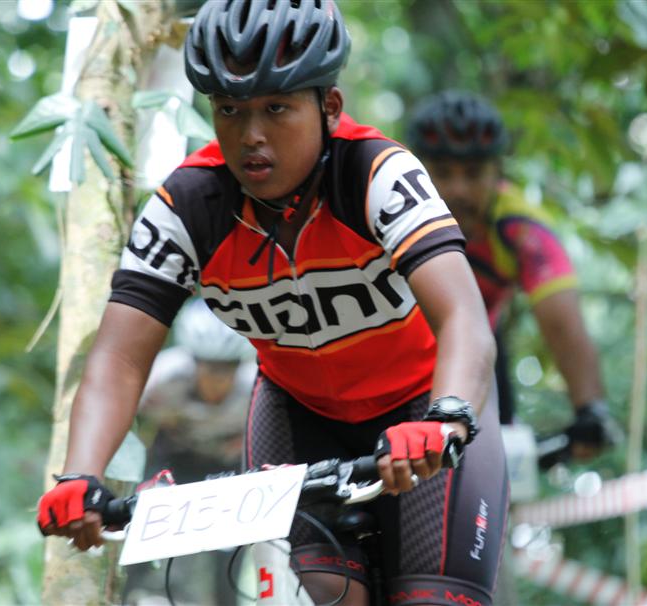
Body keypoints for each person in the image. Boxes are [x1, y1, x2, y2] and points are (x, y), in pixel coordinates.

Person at [37, 2, 507, 606]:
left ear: (329, 107)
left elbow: (464, 316)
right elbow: (120, 358)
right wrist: (81, 475)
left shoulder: (376, 175)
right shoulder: (188, 207)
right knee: (329, 594)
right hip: (299, 415)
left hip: (422, 402)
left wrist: (446, 417)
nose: (250, 135)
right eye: (229, 110)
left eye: (276, 108)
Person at [406, 90, 620, 463]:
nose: (458, 189)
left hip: (479, 351)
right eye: (442, 173)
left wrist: (590, 409)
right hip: (398, 347)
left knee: (494, 459)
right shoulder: (390, 208)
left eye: (474, 173)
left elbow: (563, 325)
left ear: (497, 173)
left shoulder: (520, 229)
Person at [125, 298, 256, 605]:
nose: (217, 378)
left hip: (229, 469)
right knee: (141, 530)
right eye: (208, 366)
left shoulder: (255, 387)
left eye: (228, 368)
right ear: (192, 360)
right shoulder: (162, 378)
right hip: (172, 461)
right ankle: (127, 594)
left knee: (229, 556)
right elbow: (125, 419)